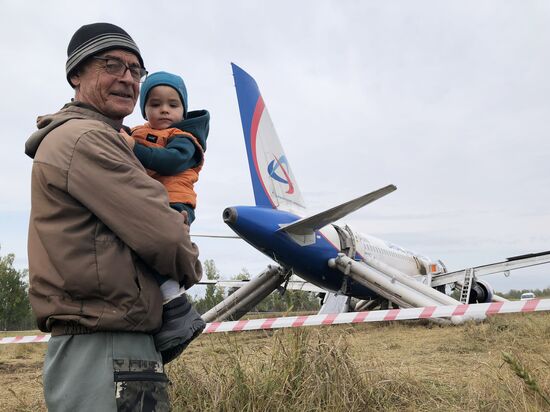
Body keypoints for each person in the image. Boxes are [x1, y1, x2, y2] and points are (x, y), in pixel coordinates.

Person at [25, 22, 202, 411]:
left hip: (112, 340)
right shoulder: (87, 138)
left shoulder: (103, 137)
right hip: (104, 345)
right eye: (112, 65)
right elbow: (166, 237)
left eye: (135, 70)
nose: (128, 79)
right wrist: (188, 263)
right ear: (76, 74)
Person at [121, 71, 209, 363]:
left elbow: (170, 162)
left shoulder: (184, 139)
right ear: (144, 107)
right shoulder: (135, 132)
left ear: (183, 110)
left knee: (156, 247)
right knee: (138, 253)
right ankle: (164, 313)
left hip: (176, 204)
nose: (164, 110)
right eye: (155, 103)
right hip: (149, 203)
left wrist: (135, 148)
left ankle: (177, 305)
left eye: (173, 104)